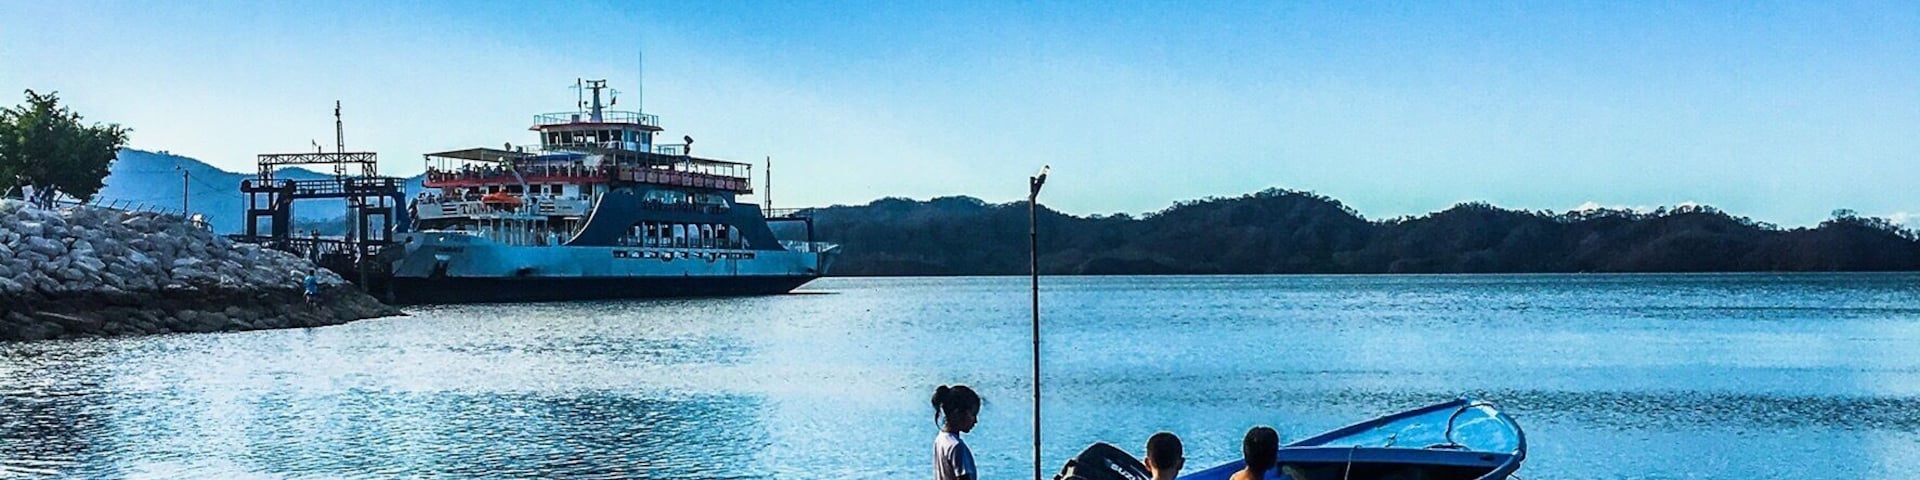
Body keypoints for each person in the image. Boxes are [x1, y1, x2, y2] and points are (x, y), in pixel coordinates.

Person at [931, 384, 981, 480]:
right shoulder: (957, 446)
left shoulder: (941, 439)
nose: (975, 421)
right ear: (958, 413)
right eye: (973, 414)